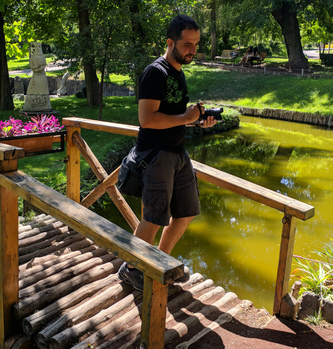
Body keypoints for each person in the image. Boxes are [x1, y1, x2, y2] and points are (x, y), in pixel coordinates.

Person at [118, 15, 217, 291]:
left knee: (186, 212)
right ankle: (131, 267)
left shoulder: (178, 72)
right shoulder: (155, 72)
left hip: (177, 151)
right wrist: (185, 118)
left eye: (196, 44)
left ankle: (159, 260)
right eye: (187, 44)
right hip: (156, 154)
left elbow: (174, 114)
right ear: (170, 42)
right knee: (154, 217)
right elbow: (147, 119)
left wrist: (197, 119)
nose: (192, 50)